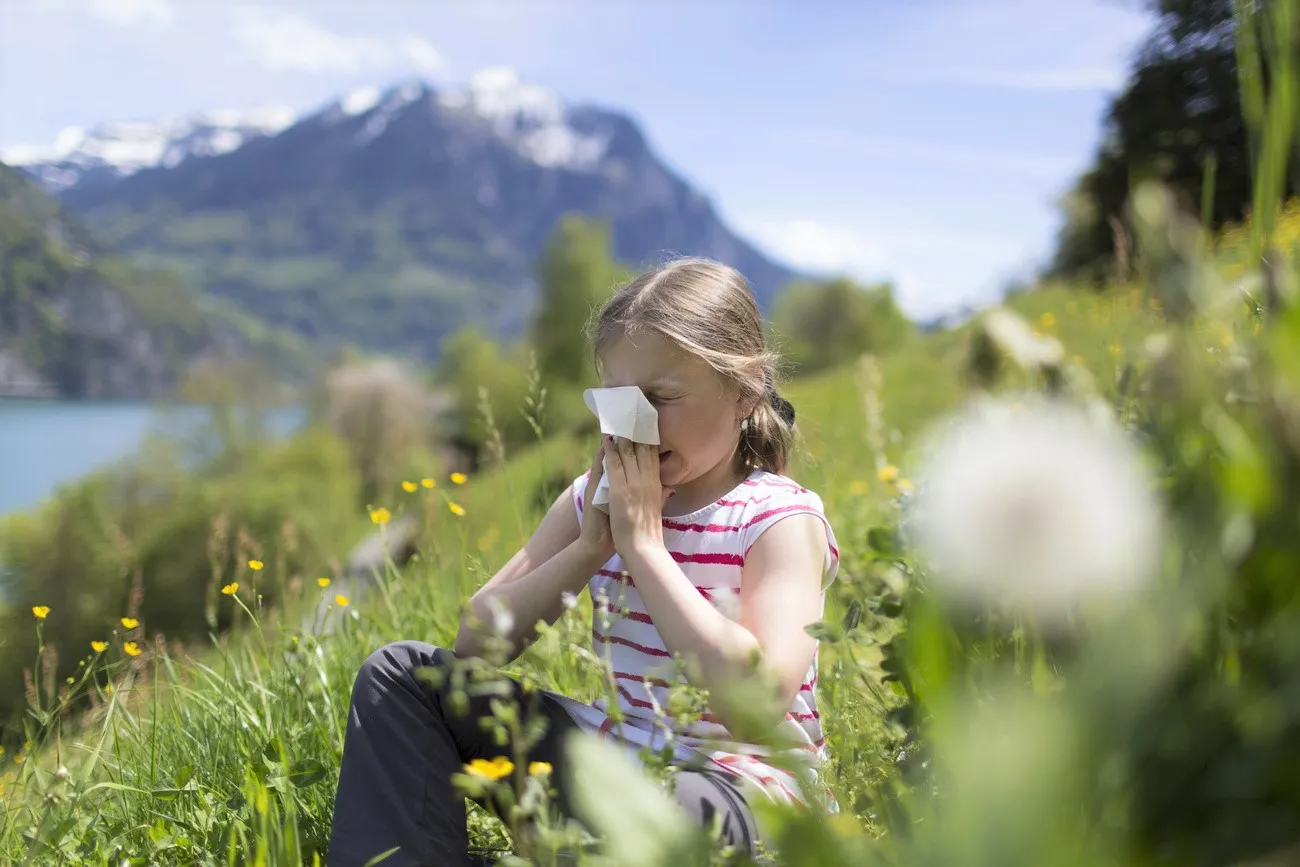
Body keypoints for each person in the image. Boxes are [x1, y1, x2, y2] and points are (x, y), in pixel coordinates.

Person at [326, 257, 841, 866]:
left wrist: (645, 548)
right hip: (619, 758)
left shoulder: (779, 519)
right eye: (622, 401)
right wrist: (590, 547)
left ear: (746, 388)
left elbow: (755, 703)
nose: (638, 424)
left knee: (670, 813)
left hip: (744, 792)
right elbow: (474, 643)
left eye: (662, 398)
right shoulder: (593, 501)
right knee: (402, 677)